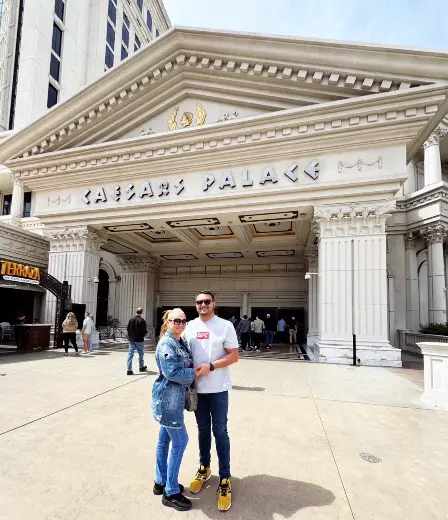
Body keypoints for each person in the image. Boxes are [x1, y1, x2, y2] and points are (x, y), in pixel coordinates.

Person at [185, 290, 239, 512]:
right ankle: (204, 468)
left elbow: (234, 355)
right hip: (198, 390)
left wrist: (212, 366)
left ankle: (225, 479)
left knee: (220, 431)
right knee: (202, 429)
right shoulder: (190, 326)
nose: (202, 305)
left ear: (214, 304)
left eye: (206, 301)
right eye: (199, 302)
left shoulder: (225, 325)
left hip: (218, 390)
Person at [152, 308, 195, 512]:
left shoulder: (180, 341)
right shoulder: (167, 343)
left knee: (164, 440)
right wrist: (194, 372)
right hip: (169, 401)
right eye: (176, 321)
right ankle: (170, 492)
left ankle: (160, 481)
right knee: (181, 441)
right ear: (167, 322)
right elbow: (172, 372)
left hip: (172, 400)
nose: (180, 324)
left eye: (183, 321)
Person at [126, 307, 148, 375]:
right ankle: (141, 367)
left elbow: (128, 329)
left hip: (132, 339)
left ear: (136, 312)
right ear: (141, 312)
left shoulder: (131, 319)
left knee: (130, 354)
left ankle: (129, 370)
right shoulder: (142, 321)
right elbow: (144, 331)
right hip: (139, 340)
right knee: (141, 353)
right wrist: (143, 335)